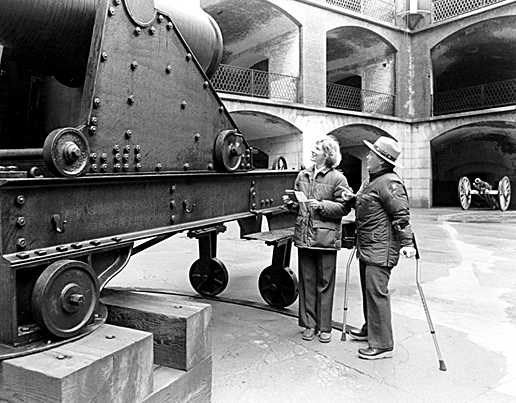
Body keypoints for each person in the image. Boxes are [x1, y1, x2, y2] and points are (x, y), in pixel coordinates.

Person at [341, 136, 416, 360]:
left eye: (372, 154)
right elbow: (369, 202)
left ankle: (383, 344)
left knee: (377, 294)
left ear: (382, 161)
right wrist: (353, 198)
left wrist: (407, 243)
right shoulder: (371, 180)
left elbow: (400, 216)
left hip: (381, 248)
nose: (367, 156)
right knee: (368, 291)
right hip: (368, 245)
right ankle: (370, 329)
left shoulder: (390, 183)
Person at [283, 136, 352, 343]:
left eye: (317, 149)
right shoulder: (302, 175)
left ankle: (324, 326)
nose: (312, 151)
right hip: (305, 237)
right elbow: (298, 205)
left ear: (328, 155)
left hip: (326, 238)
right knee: (307, 282)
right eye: (313, 148)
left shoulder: (338, 179)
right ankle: (308, 324)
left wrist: (321, 205)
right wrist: (291, 203)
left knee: (325, 283)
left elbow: (345, 207)